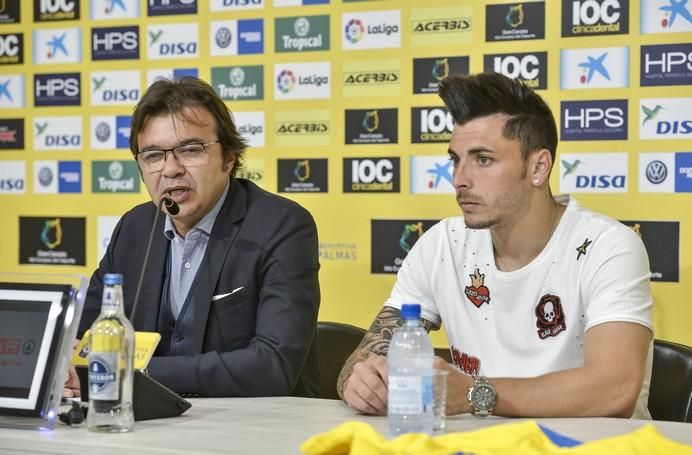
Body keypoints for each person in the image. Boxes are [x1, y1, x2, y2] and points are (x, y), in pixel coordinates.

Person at [337, 72, 654, 418]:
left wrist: (476, 394)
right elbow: (361, 359)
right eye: (455, 160)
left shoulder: (608, 247)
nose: (460, 180)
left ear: (538, 167)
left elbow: (614, 389)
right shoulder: (442, 244)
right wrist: (360, 382)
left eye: (483, 160)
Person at [71, 76, 321, 398]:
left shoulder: (281, 225)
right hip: (149, 427)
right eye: (153, 156)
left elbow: (274, 364)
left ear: (229, 158)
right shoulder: (134, 228)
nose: (171, 169)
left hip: (254, 429)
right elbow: (81, 336)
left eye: (190, 150)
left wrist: (134, 371)